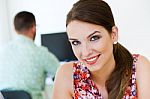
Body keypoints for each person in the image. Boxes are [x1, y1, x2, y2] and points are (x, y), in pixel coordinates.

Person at [52, 0, 150, 99]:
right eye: (76, 42)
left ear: (114, 34)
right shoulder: (67, 75)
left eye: (94, 38)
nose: (85, 52)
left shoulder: (139, 67)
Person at [0, 11, 60, 99]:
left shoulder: (2, 50)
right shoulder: (40, 53)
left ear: (15, 29)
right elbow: (60, 73)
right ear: (33, 28)